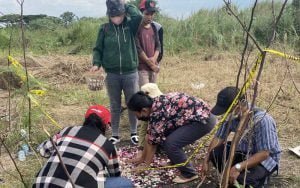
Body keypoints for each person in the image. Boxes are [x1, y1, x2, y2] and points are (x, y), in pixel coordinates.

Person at [33, 105, 133, 188]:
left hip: (40, 185)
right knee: (124, 183)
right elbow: (115, 174)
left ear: (85, 119)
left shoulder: (66, 130)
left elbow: (43, 151)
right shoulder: (108, 145)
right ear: (107, 126)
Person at [127, 91, 216, 183]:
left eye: (135, 113)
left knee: (170, 144)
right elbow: (149, 136)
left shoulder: (157, 113)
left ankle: (189, 174)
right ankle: (176, 161)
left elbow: (153, 143)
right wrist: (142, 158)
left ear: (144, 110)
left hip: (203, 121)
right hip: (197, 116)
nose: (136, 116)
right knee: (166, 138)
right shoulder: (155, 103)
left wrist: (146, 165)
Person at [201, 86, 281, 188]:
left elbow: (264, 154)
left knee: (242, 182)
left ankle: (257, 180)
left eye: (228, 110)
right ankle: (230, 177)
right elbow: (218, 138)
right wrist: (206, 160)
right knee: (215, 152)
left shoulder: (262, 120)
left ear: (237, 106)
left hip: (264, 160)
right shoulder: (232, 116)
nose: (226, 113)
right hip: (243, 151)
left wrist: (238, 167)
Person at [90, 0, 143, 145]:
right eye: (113, 16)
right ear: (109, 16)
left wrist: (125, 4)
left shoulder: (130, 26)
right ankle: (115, 134)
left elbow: (138, 16)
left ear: (124, 14)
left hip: (130, 73)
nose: (117, 19)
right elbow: (98, 48)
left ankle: (134, 132)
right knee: (115, 105)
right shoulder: (105, 29)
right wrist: (96, 63)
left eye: (119, 15)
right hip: (112, 74)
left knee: (132, 103)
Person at [136, 0, 163, 87]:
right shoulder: (137, 28)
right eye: (147, 14)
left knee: (153, 94)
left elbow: (158, 45)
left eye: (152, 14)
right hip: (142, 68)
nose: (149, 17)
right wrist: (150, 63)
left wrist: (154, 59)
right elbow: (138, 48)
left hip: (153, 67)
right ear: (141, 12)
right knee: (145, 94)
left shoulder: (154, 27)